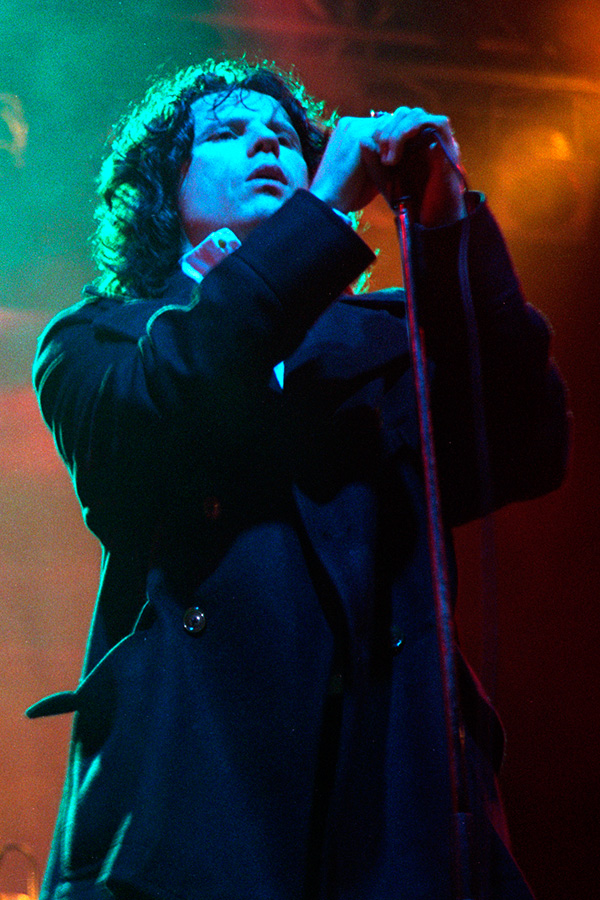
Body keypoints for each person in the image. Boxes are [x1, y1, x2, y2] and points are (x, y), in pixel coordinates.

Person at [27, 58, 569, 900]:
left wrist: (446, 226)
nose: (265, 145)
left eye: (283, 134)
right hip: (191, 800)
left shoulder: (387, 335)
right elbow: (179, 387)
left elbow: (527, 443)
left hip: (396, 799)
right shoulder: (98, 339)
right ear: (162, 191)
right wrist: (325, 212)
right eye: (227, 132)